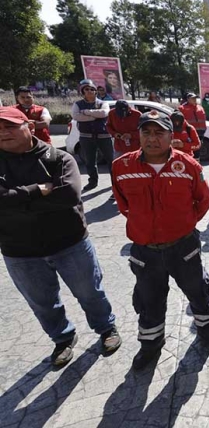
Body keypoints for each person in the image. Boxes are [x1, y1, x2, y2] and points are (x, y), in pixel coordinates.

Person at [0, 107, 121, 367]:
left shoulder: (58, 158)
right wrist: (39, 190)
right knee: (43, 302)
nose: (3, 132)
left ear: (29, 127)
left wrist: (14, 200)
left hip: (70, 244)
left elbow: (68, 195)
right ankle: (63, 338)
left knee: (90, 292)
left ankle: (106, 329)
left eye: (9, 126)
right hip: (19, 251)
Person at [112, 112, 209, 369]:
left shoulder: (189, 166)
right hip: (144, 250)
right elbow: (123, 205)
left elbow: (203, 200)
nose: (152, 139)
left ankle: (206, 331)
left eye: (159, 133)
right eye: (146, 133)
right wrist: (145, 227)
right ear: (139, 135)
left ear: (171, 136)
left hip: (183, 247)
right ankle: (150, 345)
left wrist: (183, 224)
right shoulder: (122, 167)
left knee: (198, 290)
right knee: (149, 299)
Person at [71, 79, 113, 191]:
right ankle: (93, 182)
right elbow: (76, 116)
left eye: (92, 89)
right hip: (86, 137)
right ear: (83, 92)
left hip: (104, 137)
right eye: (86, 89)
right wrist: (95, 115)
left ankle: (115, 182)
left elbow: (104, 113)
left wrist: (86, 112)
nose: (89, 91)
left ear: (96, 91)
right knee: (90, 161)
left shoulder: (103, 103)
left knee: (111, 161)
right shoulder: (78, 104)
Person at [179, 93, 207, 158]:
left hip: (200, 132)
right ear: (188, 99)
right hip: (189, 133)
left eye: (195, 98)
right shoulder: (182, 108)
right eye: (192, 98)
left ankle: (197, 164)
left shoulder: (200, 107)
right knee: (191, 150)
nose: (194, 99)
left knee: (198, 149)